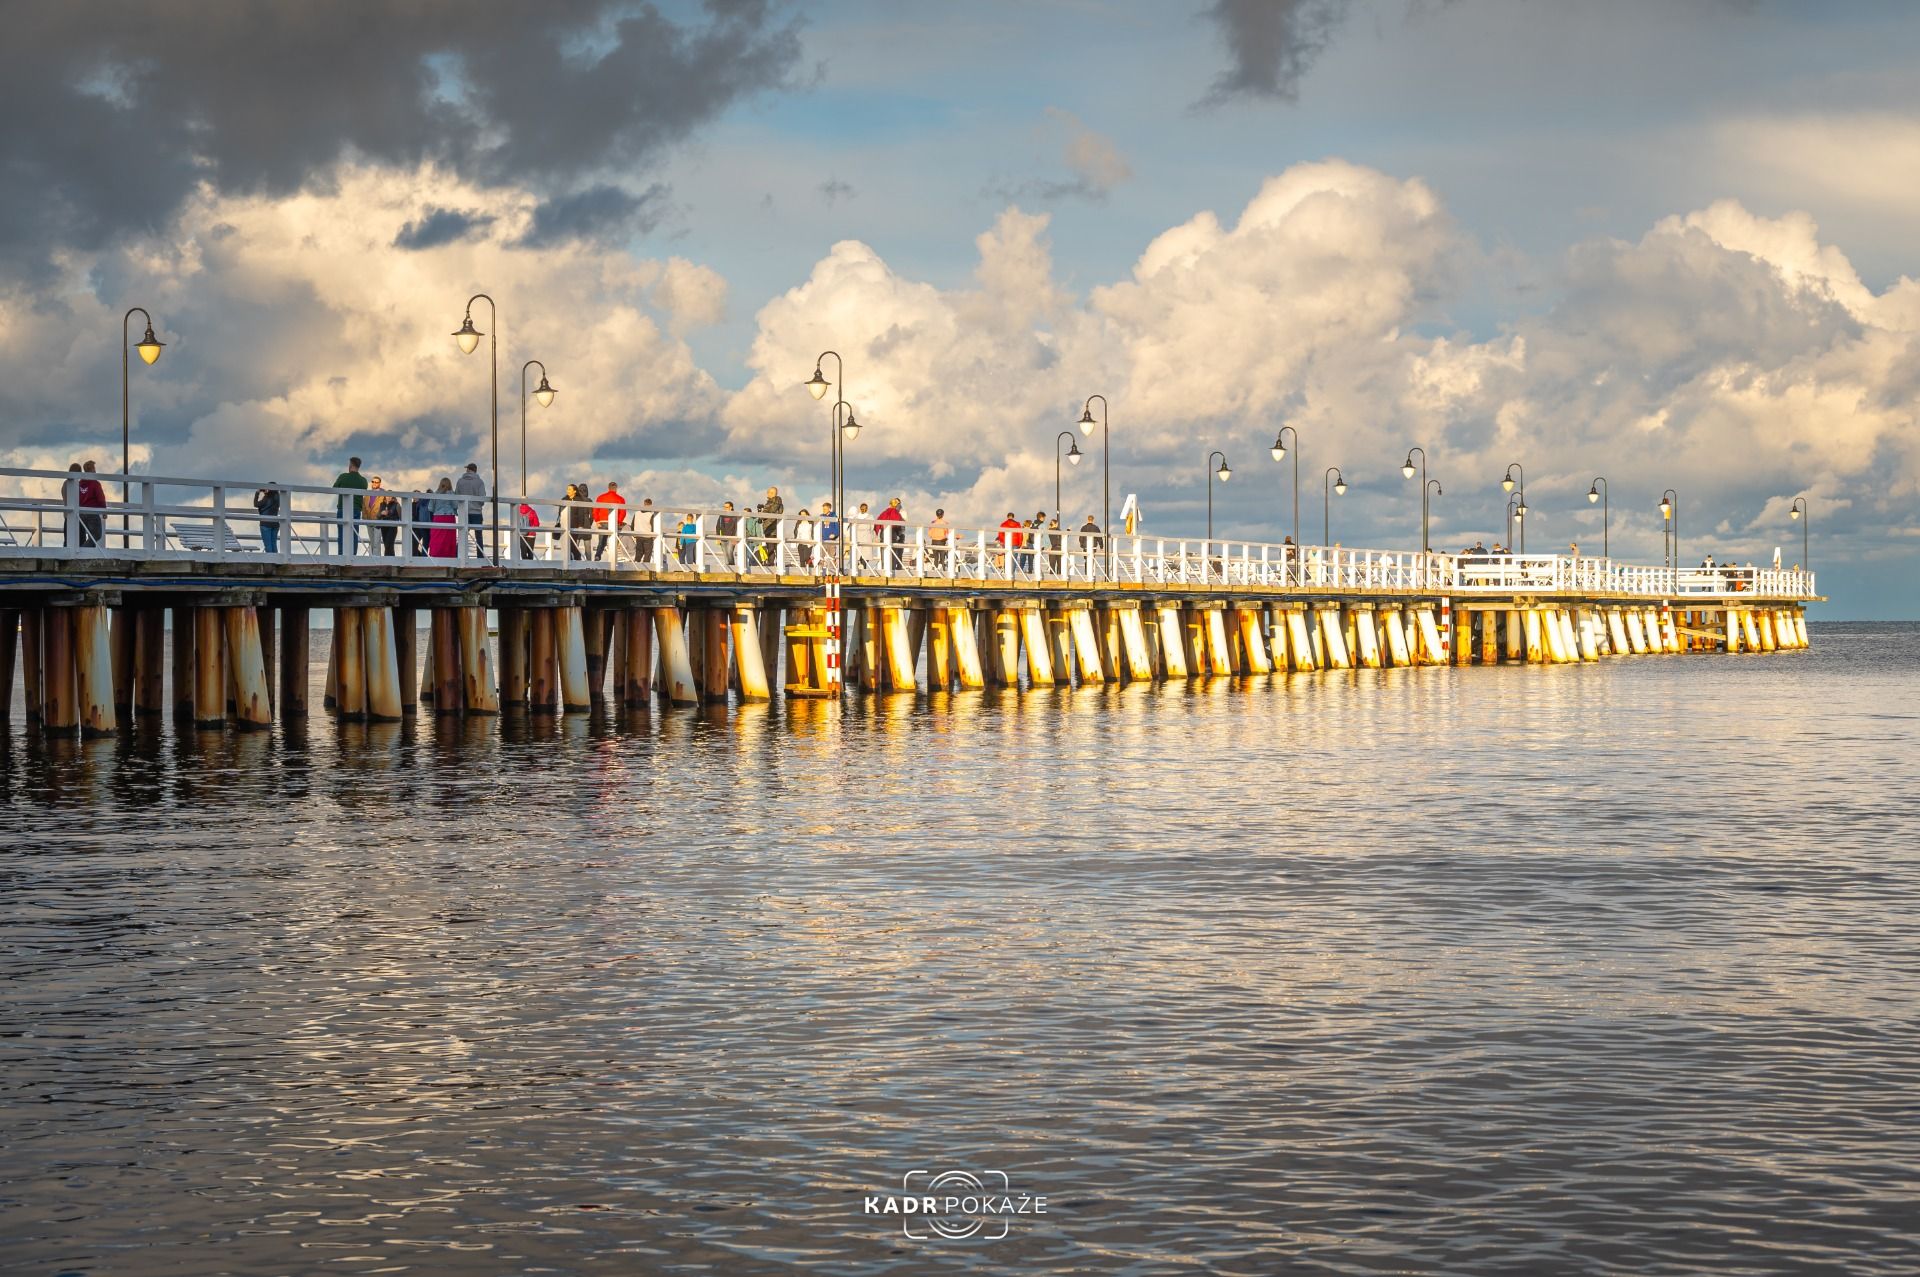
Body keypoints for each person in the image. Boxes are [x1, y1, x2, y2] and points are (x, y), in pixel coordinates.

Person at [332, 456, 368, 555]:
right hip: (356, 509)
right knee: (354, 533)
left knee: (342, 533)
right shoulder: (363, 480)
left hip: (343, 508)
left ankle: (341, 554)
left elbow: (334, 488)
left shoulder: (343, 477)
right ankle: (353, 554)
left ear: (351, 465)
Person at [454, 463, 487, 556]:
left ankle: (458, 555)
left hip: (463, 512)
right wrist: (478, 505)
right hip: (476, 512)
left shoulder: (460, 481)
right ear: (475, 470)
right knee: (478, 536)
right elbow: (482, 498)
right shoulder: (480, 482)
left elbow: (456, 496)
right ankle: (480, 558)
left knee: (462, 536)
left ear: (468, 470)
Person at [366, 476, 402, 556]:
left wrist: (391, 515)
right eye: (387, 496)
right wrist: (381, 513)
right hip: (383, 527)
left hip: (392, 527)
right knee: (387, 545)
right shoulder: (382, 504)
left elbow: (400, 517)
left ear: (392, 496)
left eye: (390, 496)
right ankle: (390, 561)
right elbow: (378, 515)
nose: (388, 497)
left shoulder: (396, 505)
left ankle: (388, 561)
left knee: (389, 544)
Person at [75, 462, 107, 548]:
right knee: (96, 535)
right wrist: (104, 511)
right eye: (94, 469)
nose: (95, 471)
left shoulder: (79, 483)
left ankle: (87, 555)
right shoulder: (95, 484)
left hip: (81, 513)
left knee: (88, 537)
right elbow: (101, 499)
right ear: (92, 469)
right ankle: (82, 551)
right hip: (92, 513)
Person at [593, 480, 626, 560]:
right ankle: (613, 559)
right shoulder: (620, 499)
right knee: (614, 541)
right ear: (616, 488)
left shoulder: (600, 497)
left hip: (602, 522)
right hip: (614, 522)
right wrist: (619, 522)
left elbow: (595, 510)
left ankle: (598, 555)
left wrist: (597, 520)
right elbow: (623, 512)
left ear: (608, 488)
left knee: (601, 541)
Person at [427, 478, 460, 558]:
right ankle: (448, 555)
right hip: (449, 517)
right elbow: (456, 505)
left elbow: (430, 508)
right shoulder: (452, 494)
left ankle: (435, 554)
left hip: (438, 517)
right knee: (449, 538)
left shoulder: (435, 493)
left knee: (436, 537)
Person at [754, 485, 785, 565]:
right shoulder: (772, 502)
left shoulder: (775, 501)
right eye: (769, 492)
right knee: (773, 547)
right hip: (771, 527)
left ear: (776, 494)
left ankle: (772, 564)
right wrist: (762, 514)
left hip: (771, 527)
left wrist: (762, 515)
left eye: (772, 492)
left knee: (772, 547)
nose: (770, 494)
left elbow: (771, 512)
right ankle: (775, 564)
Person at [562, 483, 593, 560]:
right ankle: (589, 562)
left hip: (577, 524)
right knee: (587, 546)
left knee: (575, 544)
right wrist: (589, 523)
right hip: (587, 525)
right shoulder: (589, 501)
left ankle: (575, 560)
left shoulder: (577, 499)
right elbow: (592, 516)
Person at [877, 497, 905, 571]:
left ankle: (884, 568)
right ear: (896, 505)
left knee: (883, 552)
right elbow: (898, 524)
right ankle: (891, 569)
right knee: (892, 553)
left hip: (883, 533)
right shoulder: (896, 513)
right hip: (892, 534)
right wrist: (899, 534)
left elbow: (878, 522)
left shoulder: (884, 512)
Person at [252, 482, 282, 553]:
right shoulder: (278, 498)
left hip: (265, 524)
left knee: (268, 545)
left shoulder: (267, 498)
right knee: (274, 544)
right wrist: (266, 493)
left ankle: (270, 562)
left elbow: (256, 504)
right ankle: (276, 562)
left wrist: (257, 492)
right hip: (275, 524)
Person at [634, 497, 659, 565]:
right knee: (648, 553)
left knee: (639, 552)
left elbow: (633, 524)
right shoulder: (651, 515)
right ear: (650, 505)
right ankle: (646, 567)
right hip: (647, 536)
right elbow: (653, 526)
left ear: (644, 504)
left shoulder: (637, 513)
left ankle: (636, 566)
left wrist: (633, 533)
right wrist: (653, 535)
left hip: (638, 535)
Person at [409, 487, 432, 557]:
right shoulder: (411, 505)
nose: (416, 497)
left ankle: (419, 557)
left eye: (418, 495)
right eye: (414, 495)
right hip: (415, 526)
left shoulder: (421, 504)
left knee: (416, 543)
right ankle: (420, 556)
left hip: (419, 526)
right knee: (414, 544)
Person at [819, 500, 841, 569]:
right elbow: (818, 527)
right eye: (823, 509)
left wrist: (834, 534)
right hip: (823, 540)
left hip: (831, 541)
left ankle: (832, 573)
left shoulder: (834, 516)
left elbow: (837, 528)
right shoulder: (821, 516)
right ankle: (819, 571)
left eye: (825, 509)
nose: (824, 510)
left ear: (829, 509)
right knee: (820, 556)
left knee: (832, 556)